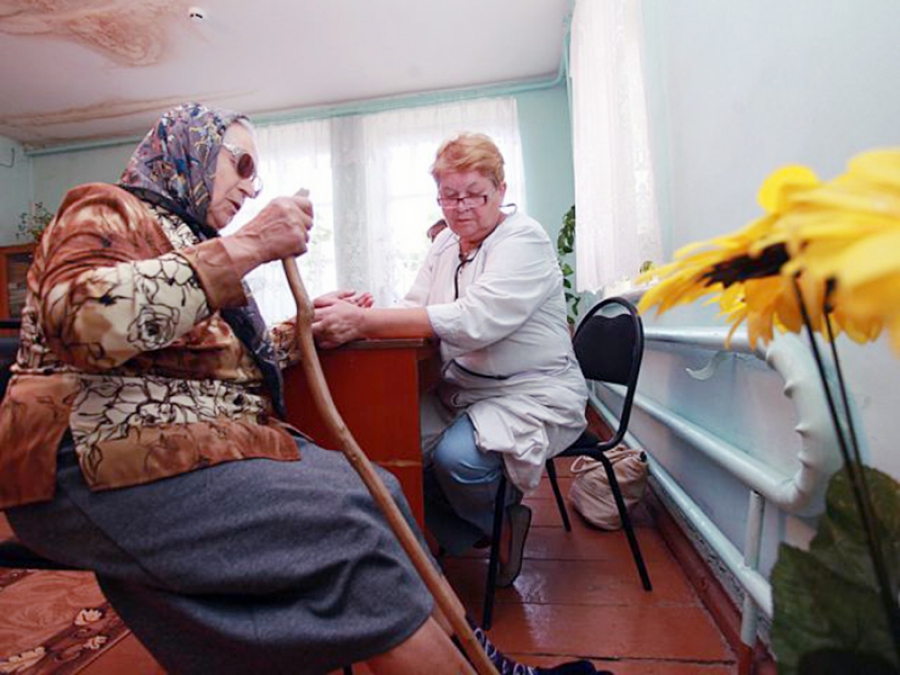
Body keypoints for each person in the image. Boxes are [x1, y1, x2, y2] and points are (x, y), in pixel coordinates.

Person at [0, 105, 602, 675]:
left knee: (383, 492)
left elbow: (217, 357)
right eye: (241, 164)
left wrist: (304, 328)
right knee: (353, 523)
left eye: (256, 174)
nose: (250, 187)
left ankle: (477, 652)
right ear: (191, 149)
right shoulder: (107, 209)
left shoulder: (187, 241)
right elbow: (80, 324)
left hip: (193, 443)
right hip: (97, 451)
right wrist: (250, 246)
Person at [314, 133, 589, 588]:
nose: (461, 208)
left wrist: (365, 323)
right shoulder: (445, 242)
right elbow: (416, 305)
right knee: (386, 445)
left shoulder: (524, 239)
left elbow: (475, 319)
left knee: (456, 459)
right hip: (464, 388)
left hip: (529, 389)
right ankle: (475, 527)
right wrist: (363, 311)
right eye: (449, 196)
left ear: (501, 190)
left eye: (475, 195)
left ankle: (497, 525)